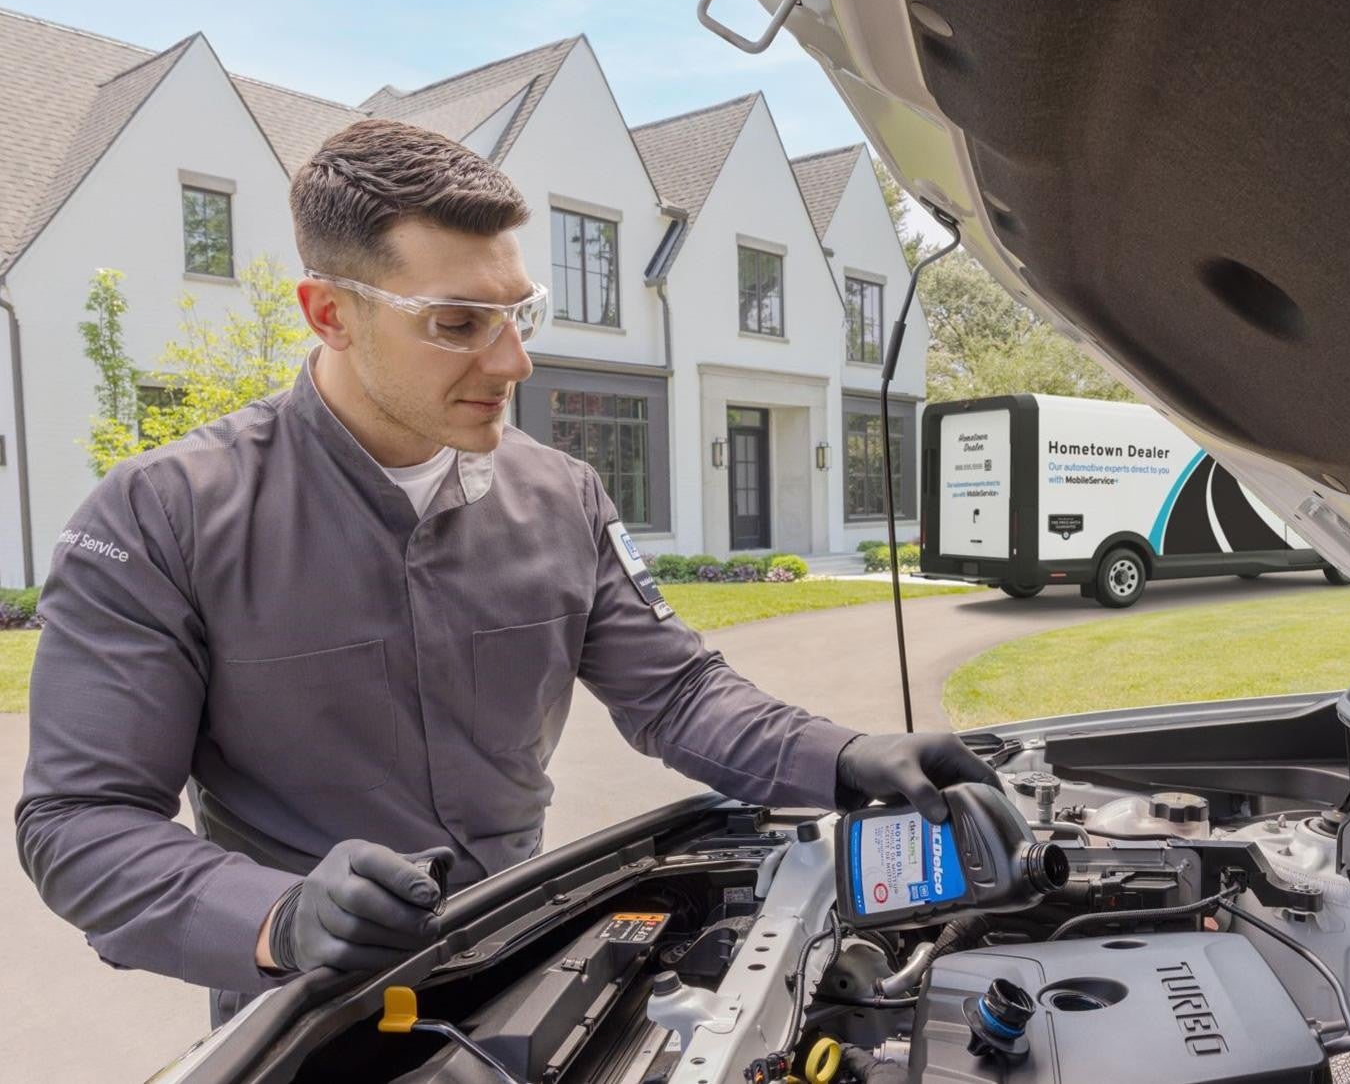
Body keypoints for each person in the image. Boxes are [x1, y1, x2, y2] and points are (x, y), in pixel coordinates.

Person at [16, 119, 995, 1022]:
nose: (514, 360)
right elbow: (81, 820)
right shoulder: (160, 517)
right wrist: (281, 915)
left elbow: (678, 694)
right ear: (329, 314)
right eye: (456, 322)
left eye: (515, 311)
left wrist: (842, 755)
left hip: (538, 965)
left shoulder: (562, 496)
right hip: (309, 1014)